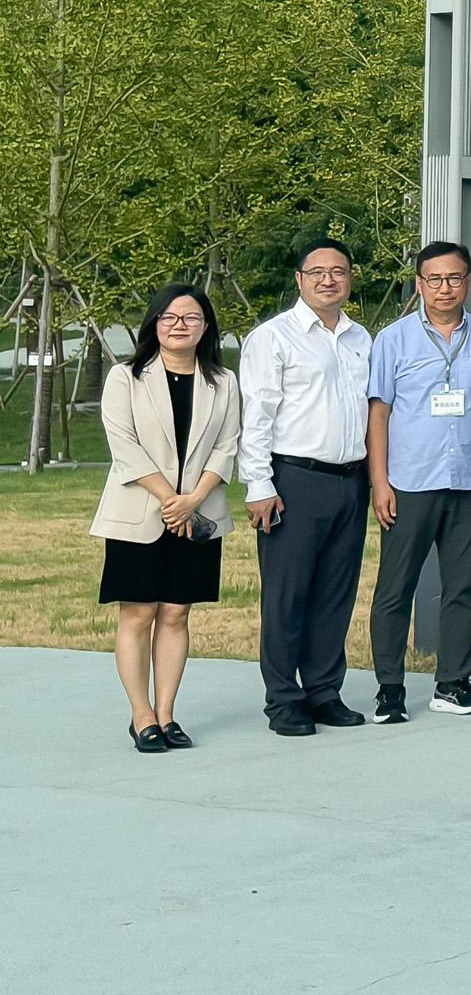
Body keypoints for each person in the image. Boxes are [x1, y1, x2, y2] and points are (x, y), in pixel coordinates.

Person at [91, 286, 242, 752]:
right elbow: (124, 445)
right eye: (169, 316)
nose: (180, 325)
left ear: (206, 327)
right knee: (138, 614)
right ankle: (141, 717)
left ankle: (167, 713)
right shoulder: (125, 378)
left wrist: (192, 499)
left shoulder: (224, 382)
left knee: (176, 613)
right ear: (154, 324)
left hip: (198, 512)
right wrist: (169, 498)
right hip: (140, 512)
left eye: (191, 317)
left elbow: (228, 445)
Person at [239, 238, 376, 736]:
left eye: (337, 271)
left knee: (335, 594)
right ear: (299, 279)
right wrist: (259, 483)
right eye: (316, 272)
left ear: (349, 278)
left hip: (349, 481)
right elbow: (256, 416)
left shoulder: (362, 339)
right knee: (287, 595)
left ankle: (323, 690)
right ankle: (284, 700)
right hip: (293, 480)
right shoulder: (274, 338)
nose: (327, 280)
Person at [366, 240, 471, 721]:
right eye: (435, 279)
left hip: (470, 483)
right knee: (394, 587)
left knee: (465, 587)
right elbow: (378, 415)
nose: (445, 288)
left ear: (468, 281)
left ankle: (453, 684)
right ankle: (389, 689)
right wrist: (379, 483)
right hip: (409, 483)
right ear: (419, 284)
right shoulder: (393, 340)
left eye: (455, 278)